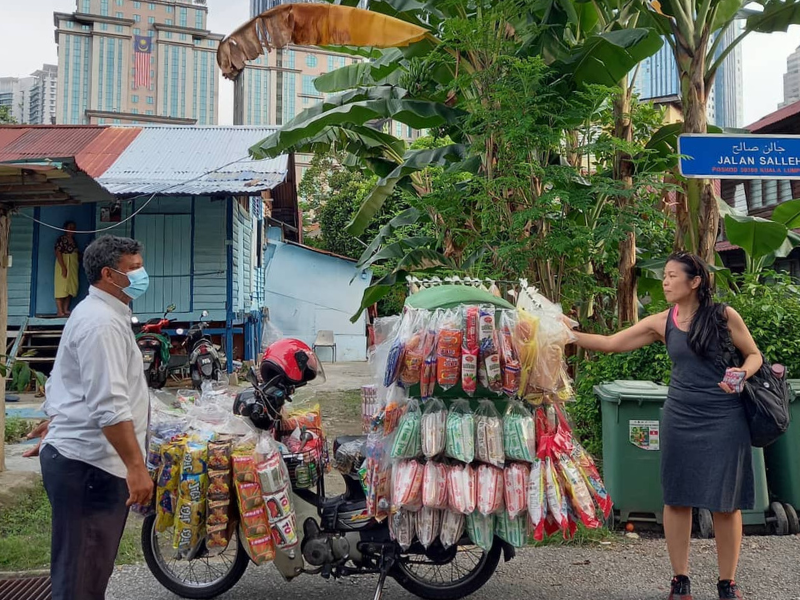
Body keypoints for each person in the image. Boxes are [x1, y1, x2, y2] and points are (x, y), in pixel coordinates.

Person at [565, 252, 761, 600]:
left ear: (695, 282)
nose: (666, 282)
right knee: (677, 498)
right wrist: (565, 333)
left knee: (725, 503)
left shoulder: (723, 316)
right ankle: (680, 581)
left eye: (672, 276)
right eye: (665, 276)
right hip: (680, 415)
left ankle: (727, 583)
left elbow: (754, 354)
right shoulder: (661, 321)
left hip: (724, 416)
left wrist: (742, 372)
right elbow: (612, 344)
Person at [39, 235, 153, 600]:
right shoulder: (100, 323)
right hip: (90, 468)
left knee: (89, 573)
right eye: (134, 268)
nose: (142, 274)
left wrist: (57, 420)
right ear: (109, 274)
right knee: (80, 581)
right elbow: (109, 404)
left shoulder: (104, 315)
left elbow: (65, 381)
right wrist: (136, 468)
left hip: (86, 458)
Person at [54, 221, 80, 317]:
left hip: (72, 265)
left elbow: (76, 253)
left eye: (73, 227)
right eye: (70, 227)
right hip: (63, 264)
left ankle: (65, 309)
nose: (72, 229)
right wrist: (63, 267)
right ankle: (60, 311)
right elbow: (58, 253)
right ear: (65, 228)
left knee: (70, 287)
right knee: (61, 287)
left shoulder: (73, 240)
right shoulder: (61, 239)